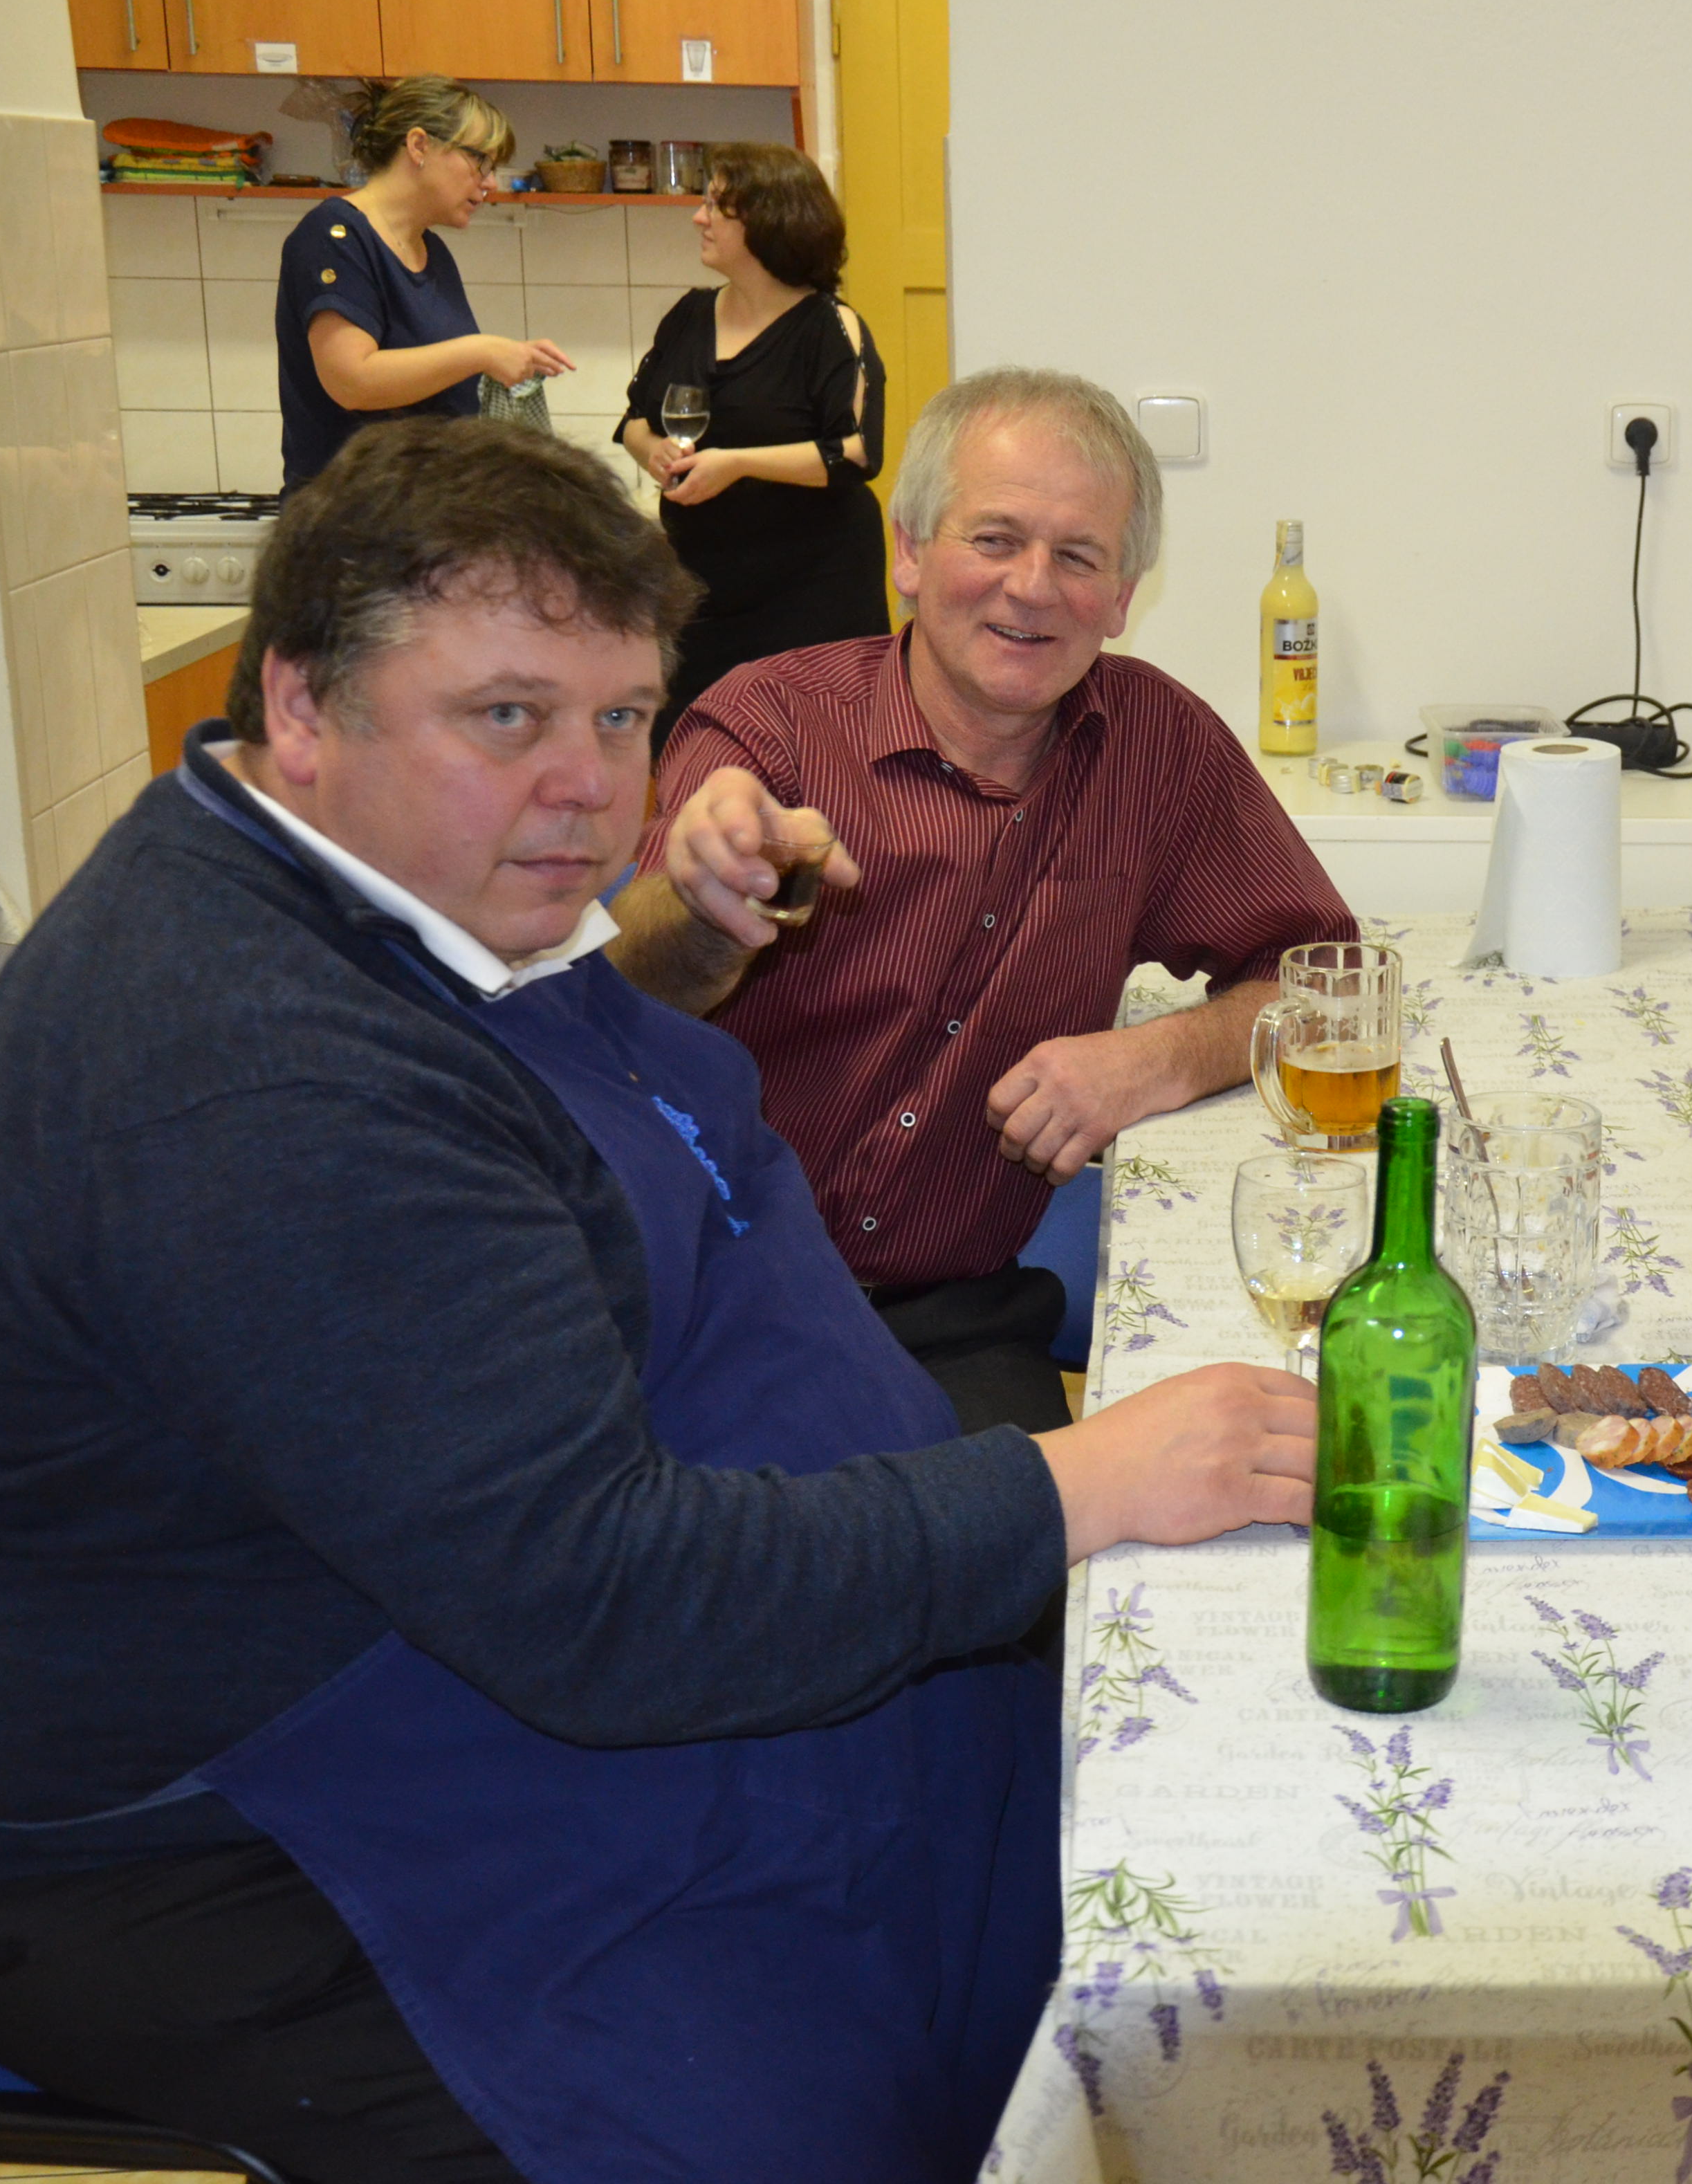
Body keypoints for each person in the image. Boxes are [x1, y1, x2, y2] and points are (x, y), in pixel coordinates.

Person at [0, 419, 1320, 2183]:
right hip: (216, 1846)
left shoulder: (403, 885)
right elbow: (608, 1607)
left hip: (463, 1640)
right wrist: (1077, 1481)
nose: (586, 790)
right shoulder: (250, 1069)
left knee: (1113, 1821)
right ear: (302, 705)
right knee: (819, 2064)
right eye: (507, 714)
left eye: (622, 719)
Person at [609, 367, 1357, 1437]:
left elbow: (1330, 989)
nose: (1033, 587)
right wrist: (702, 901)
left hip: (954, 1316)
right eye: (995, 539)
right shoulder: (770, 726)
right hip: (703, 1287)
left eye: (1079, 556)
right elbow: (624, 994)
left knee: (1063, 1538)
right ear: (910, 554)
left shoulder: (1161, 748)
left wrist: (1154, 1060)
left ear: (1123, 596)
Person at [618, 142, 892, 750]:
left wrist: (737, 464)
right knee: (692, 745)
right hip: (700, 586)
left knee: (815, 755)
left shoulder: (831, 327)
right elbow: (635, 421)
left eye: (718, 205)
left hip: (814, 587)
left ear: (770, 220)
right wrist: (653, 451)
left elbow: (856, 453)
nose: (699, 217)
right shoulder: (689, 316)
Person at [276, 76, 571, 490]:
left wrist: (502, 359)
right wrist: (483, 351)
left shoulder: (432, 251)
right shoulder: (334, 237)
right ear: (419, 146)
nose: (490, 183)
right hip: (352, 514)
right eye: (480, 161)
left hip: (424, 510)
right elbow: (352, 382)